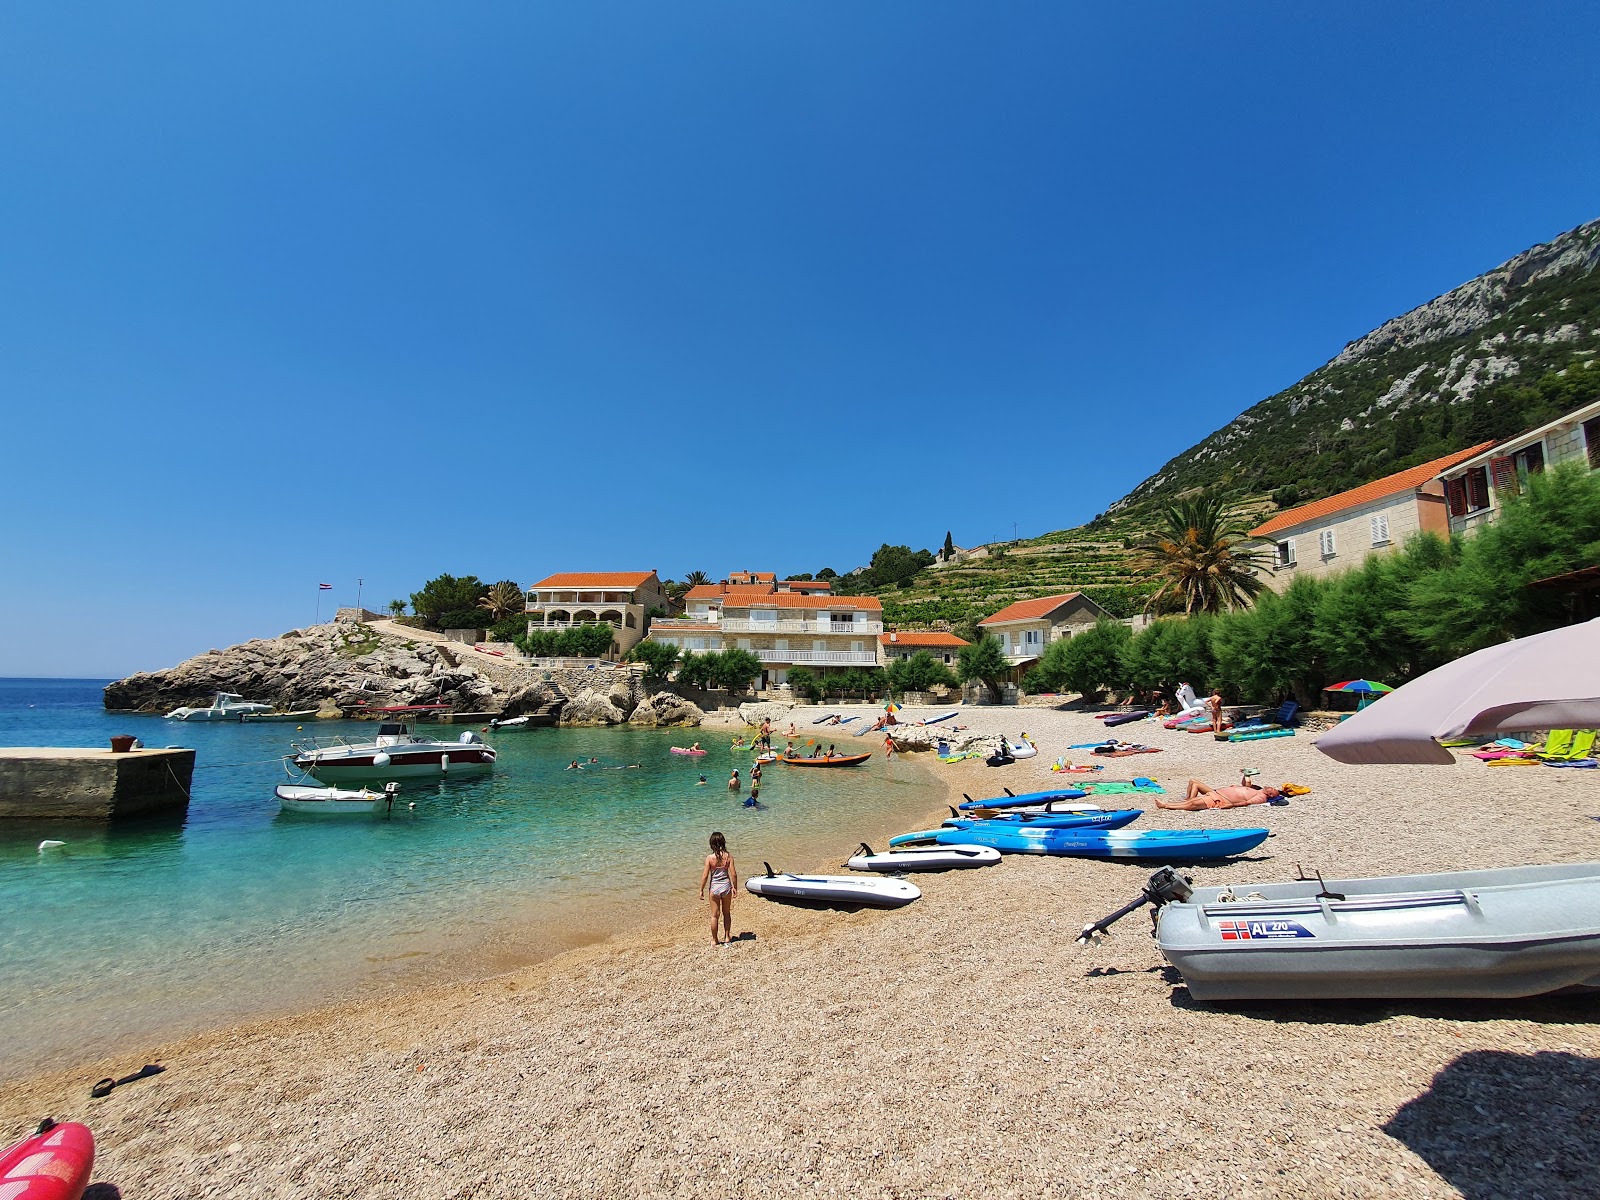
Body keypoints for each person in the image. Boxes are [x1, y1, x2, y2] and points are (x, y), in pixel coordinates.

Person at [699, 832, 737, 946]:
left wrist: (701, 889)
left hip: (714, 888)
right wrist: (735, 887)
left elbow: (705, 876)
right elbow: (733, 874)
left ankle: (715, 940)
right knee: (726, 913)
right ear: (723, 842)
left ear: (711, 844)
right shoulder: (728, 856)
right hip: (726, 886)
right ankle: (727, 937)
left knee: (714, 915)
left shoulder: (709, 858)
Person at [1158, 778, 1285, 810]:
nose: (1273, 787)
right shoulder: (1257, 789)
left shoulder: (1261, 797)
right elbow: (1245, 782)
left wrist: (1229, 806)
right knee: (1193, 782)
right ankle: (1186, 801)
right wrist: (1246, 774)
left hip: (1220, 800)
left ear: (1271, 795)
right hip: (1214, 792)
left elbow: (1246, 803)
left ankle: (1166, 805)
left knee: (1192, 804)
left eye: (1274, 790)